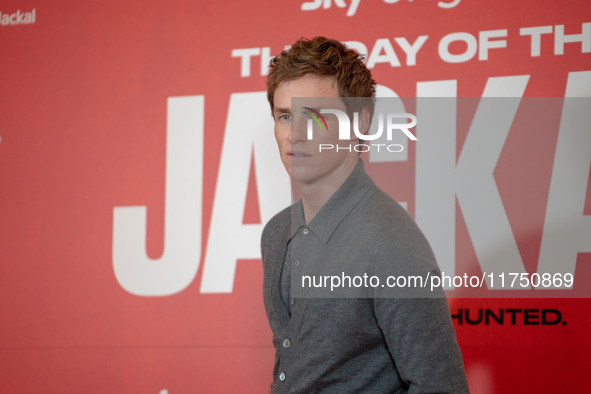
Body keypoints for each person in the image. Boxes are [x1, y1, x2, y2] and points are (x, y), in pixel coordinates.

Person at [261, 36, 469, 393]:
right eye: (284, 116)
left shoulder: (390, 243)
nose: (294, 134)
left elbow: (442, 387)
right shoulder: (276, 232)